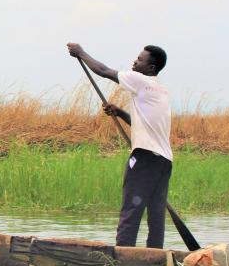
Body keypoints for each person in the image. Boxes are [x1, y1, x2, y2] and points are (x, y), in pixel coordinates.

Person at [67, 42, 172, 248]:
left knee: (130, 210)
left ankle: (123, 257)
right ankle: (155, 256)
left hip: (145, 157)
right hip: (164, 161)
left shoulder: (139, 80)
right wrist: (120, 112)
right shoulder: (161, 90)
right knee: (156, 214)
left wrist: (81, 52)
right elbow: (141, 123)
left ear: (150, 68)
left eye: (140, 59)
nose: (135, 61)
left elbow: (103, 71)